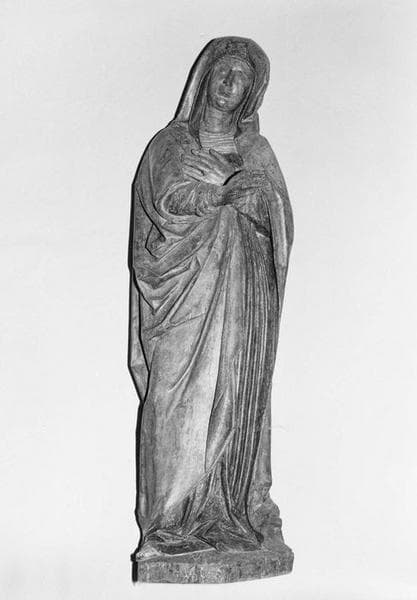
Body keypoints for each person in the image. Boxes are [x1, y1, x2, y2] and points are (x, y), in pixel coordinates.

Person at [129, 36, 294, 559]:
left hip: (243, 292)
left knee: (234, 394)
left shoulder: (257, 153)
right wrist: (221, 195)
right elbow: (164, 201)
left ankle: (227, 513)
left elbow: (281, 223)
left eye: (241, 78)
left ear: (251, 94)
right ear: (204, 78)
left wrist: (257, 205)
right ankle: (165, 525)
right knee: (175, 397)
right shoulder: (171, 144)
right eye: (222, 71)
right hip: (184, 294)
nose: (229, 83)